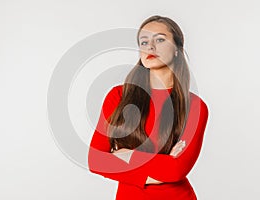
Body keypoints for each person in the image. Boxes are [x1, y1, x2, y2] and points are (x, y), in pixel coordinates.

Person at [88, 15, 209, 200]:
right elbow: (96, 161)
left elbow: (176, 171)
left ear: (177, 49)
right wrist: (163, 163)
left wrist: (126, 156)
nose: (150, 47)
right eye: (144, 42)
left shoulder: (195, 106)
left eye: (160, 40)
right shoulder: (119, 96)